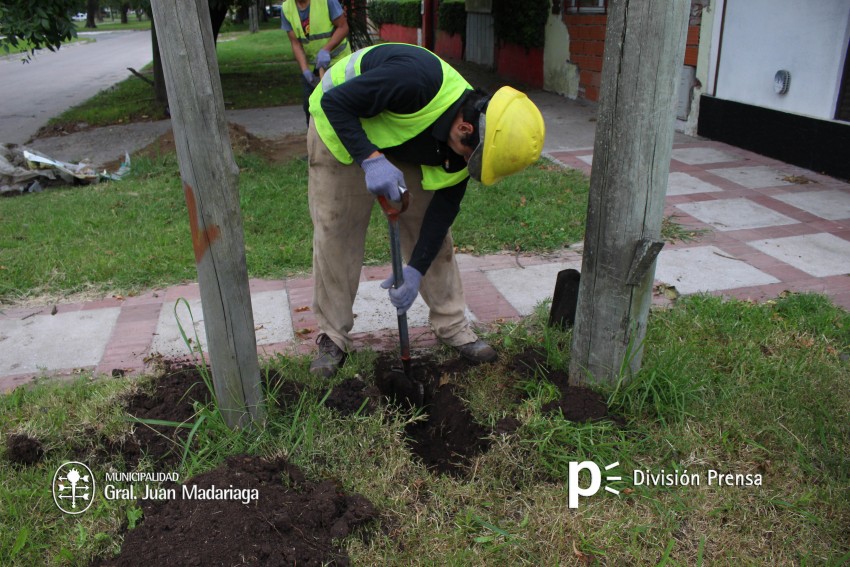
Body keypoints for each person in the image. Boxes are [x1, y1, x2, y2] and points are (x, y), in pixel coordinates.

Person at [306, 43, 545, 378]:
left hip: (403, 135)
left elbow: (440, 216)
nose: (467, 165)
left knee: (433, 236)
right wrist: (372, 160)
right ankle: (332, 338)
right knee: (337, 231)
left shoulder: (466, 146)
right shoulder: (415, 80)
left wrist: (416, 270)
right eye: (469, 157)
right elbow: (335, 103)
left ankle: (452, 325)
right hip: (341, 123)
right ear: (465, 129)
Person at [280, 0, 351, 124]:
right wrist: (305, 70)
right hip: (314, 68)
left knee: (341, 106)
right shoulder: (287, 8)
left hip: (338, 62)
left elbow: (343, 27)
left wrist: (326, 50)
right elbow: (295, 43)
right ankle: (315, 140)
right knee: (311, 108)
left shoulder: (327, 1)